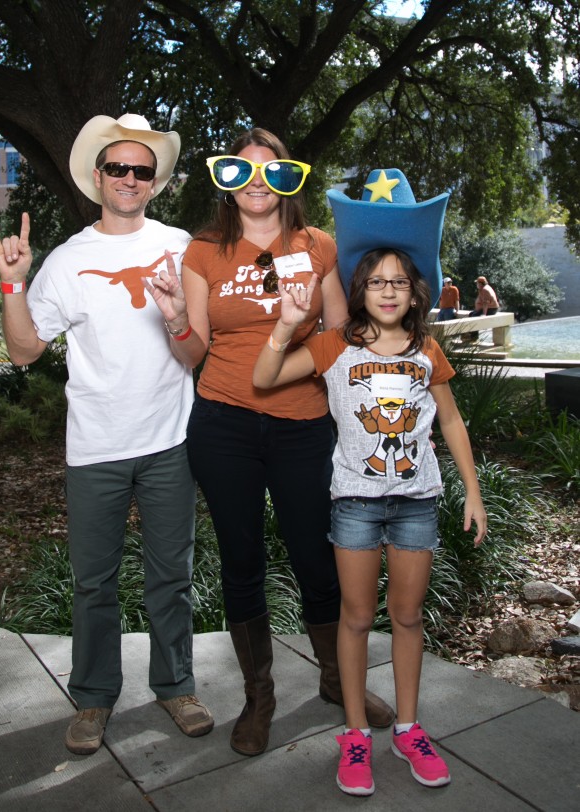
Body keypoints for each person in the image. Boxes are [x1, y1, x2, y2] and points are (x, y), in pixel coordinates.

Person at [145, 128, 395, 758]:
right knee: (241, 561)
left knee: (317, 555)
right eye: (241, 171)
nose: (257, 183)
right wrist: (175, 316)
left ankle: (339, 680)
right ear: (226, 181)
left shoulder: (318, 247)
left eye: (272, 171)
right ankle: (259, 698)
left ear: (291, 180)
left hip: (303, 425)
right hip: (223, 424)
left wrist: (293, 344)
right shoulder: (204, 252)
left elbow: (342, 336)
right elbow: (193, 352)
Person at [0, 113, 214, 756]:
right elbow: (25, 350)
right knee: (94, 582)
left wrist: (175, 318)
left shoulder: (181, 247)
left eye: (142, 170)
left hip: (169, 441)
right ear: (98, 176)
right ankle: (92, 698)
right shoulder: (69, 260)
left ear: (155, 182)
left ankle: (176, 684)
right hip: (95, 447)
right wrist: (13, 281)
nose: (129, 178)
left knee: (172, 574)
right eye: (118, 167)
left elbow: (193, 355)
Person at [252, 246, 487, 796]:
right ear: (360, 291)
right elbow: (265, 377)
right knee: (355, 619)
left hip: (416, 501)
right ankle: (355, 735)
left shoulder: (427, 348)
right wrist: (286, 326)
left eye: (399, 282)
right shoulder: (337, 344)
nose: (388, 291)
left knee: (406, 617)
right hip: (355, 503)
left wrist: (472, 493)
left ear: (414, 293)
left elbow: (450, 420)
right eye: (377, 282)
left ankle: (408, 729)